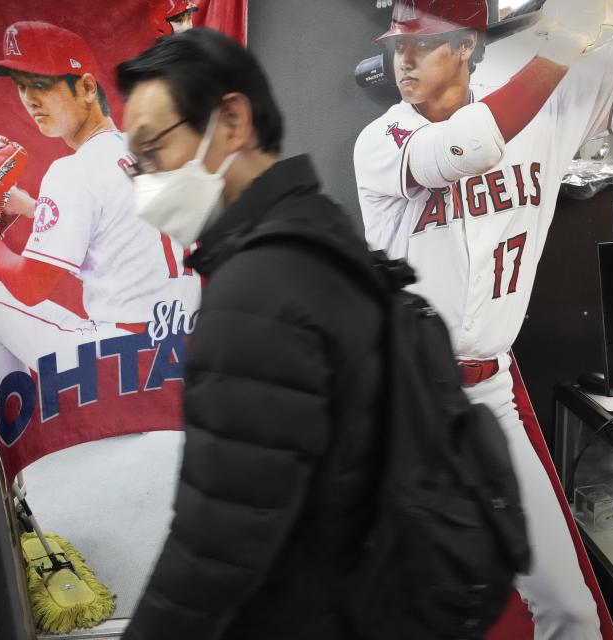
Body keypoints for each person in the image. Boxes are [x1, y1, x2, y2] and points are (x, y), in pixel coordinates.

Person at [354, 0, 613, 636]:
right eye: (398, 44)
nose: (403, 59)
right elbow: (470, 146)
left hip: (490, 393)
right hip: (402, 402)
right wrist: (561, 46)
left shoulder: (545, 109)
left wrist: (595, 21)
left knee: (568, 607)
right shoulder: (382, 141)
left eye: (424, 43)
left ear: (467, 47)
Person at [116, 28, 387, 639]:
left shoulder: (257, 291)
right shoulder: (321, 226)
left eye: (152, 151)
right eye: (136, 164)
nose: (145, 185)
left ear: (232, 120)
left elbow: (216, 543)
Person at [0, 20, 200, 402]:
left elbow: (29, 288)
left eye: (41, 85)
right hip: (183, 348)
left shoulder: (72, 171)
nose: (30, 99)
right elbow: (122, 224)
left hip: (123, 358)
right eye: (21, 86)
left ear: (84, 88)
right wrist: (33, 209)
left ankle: (26, 432)